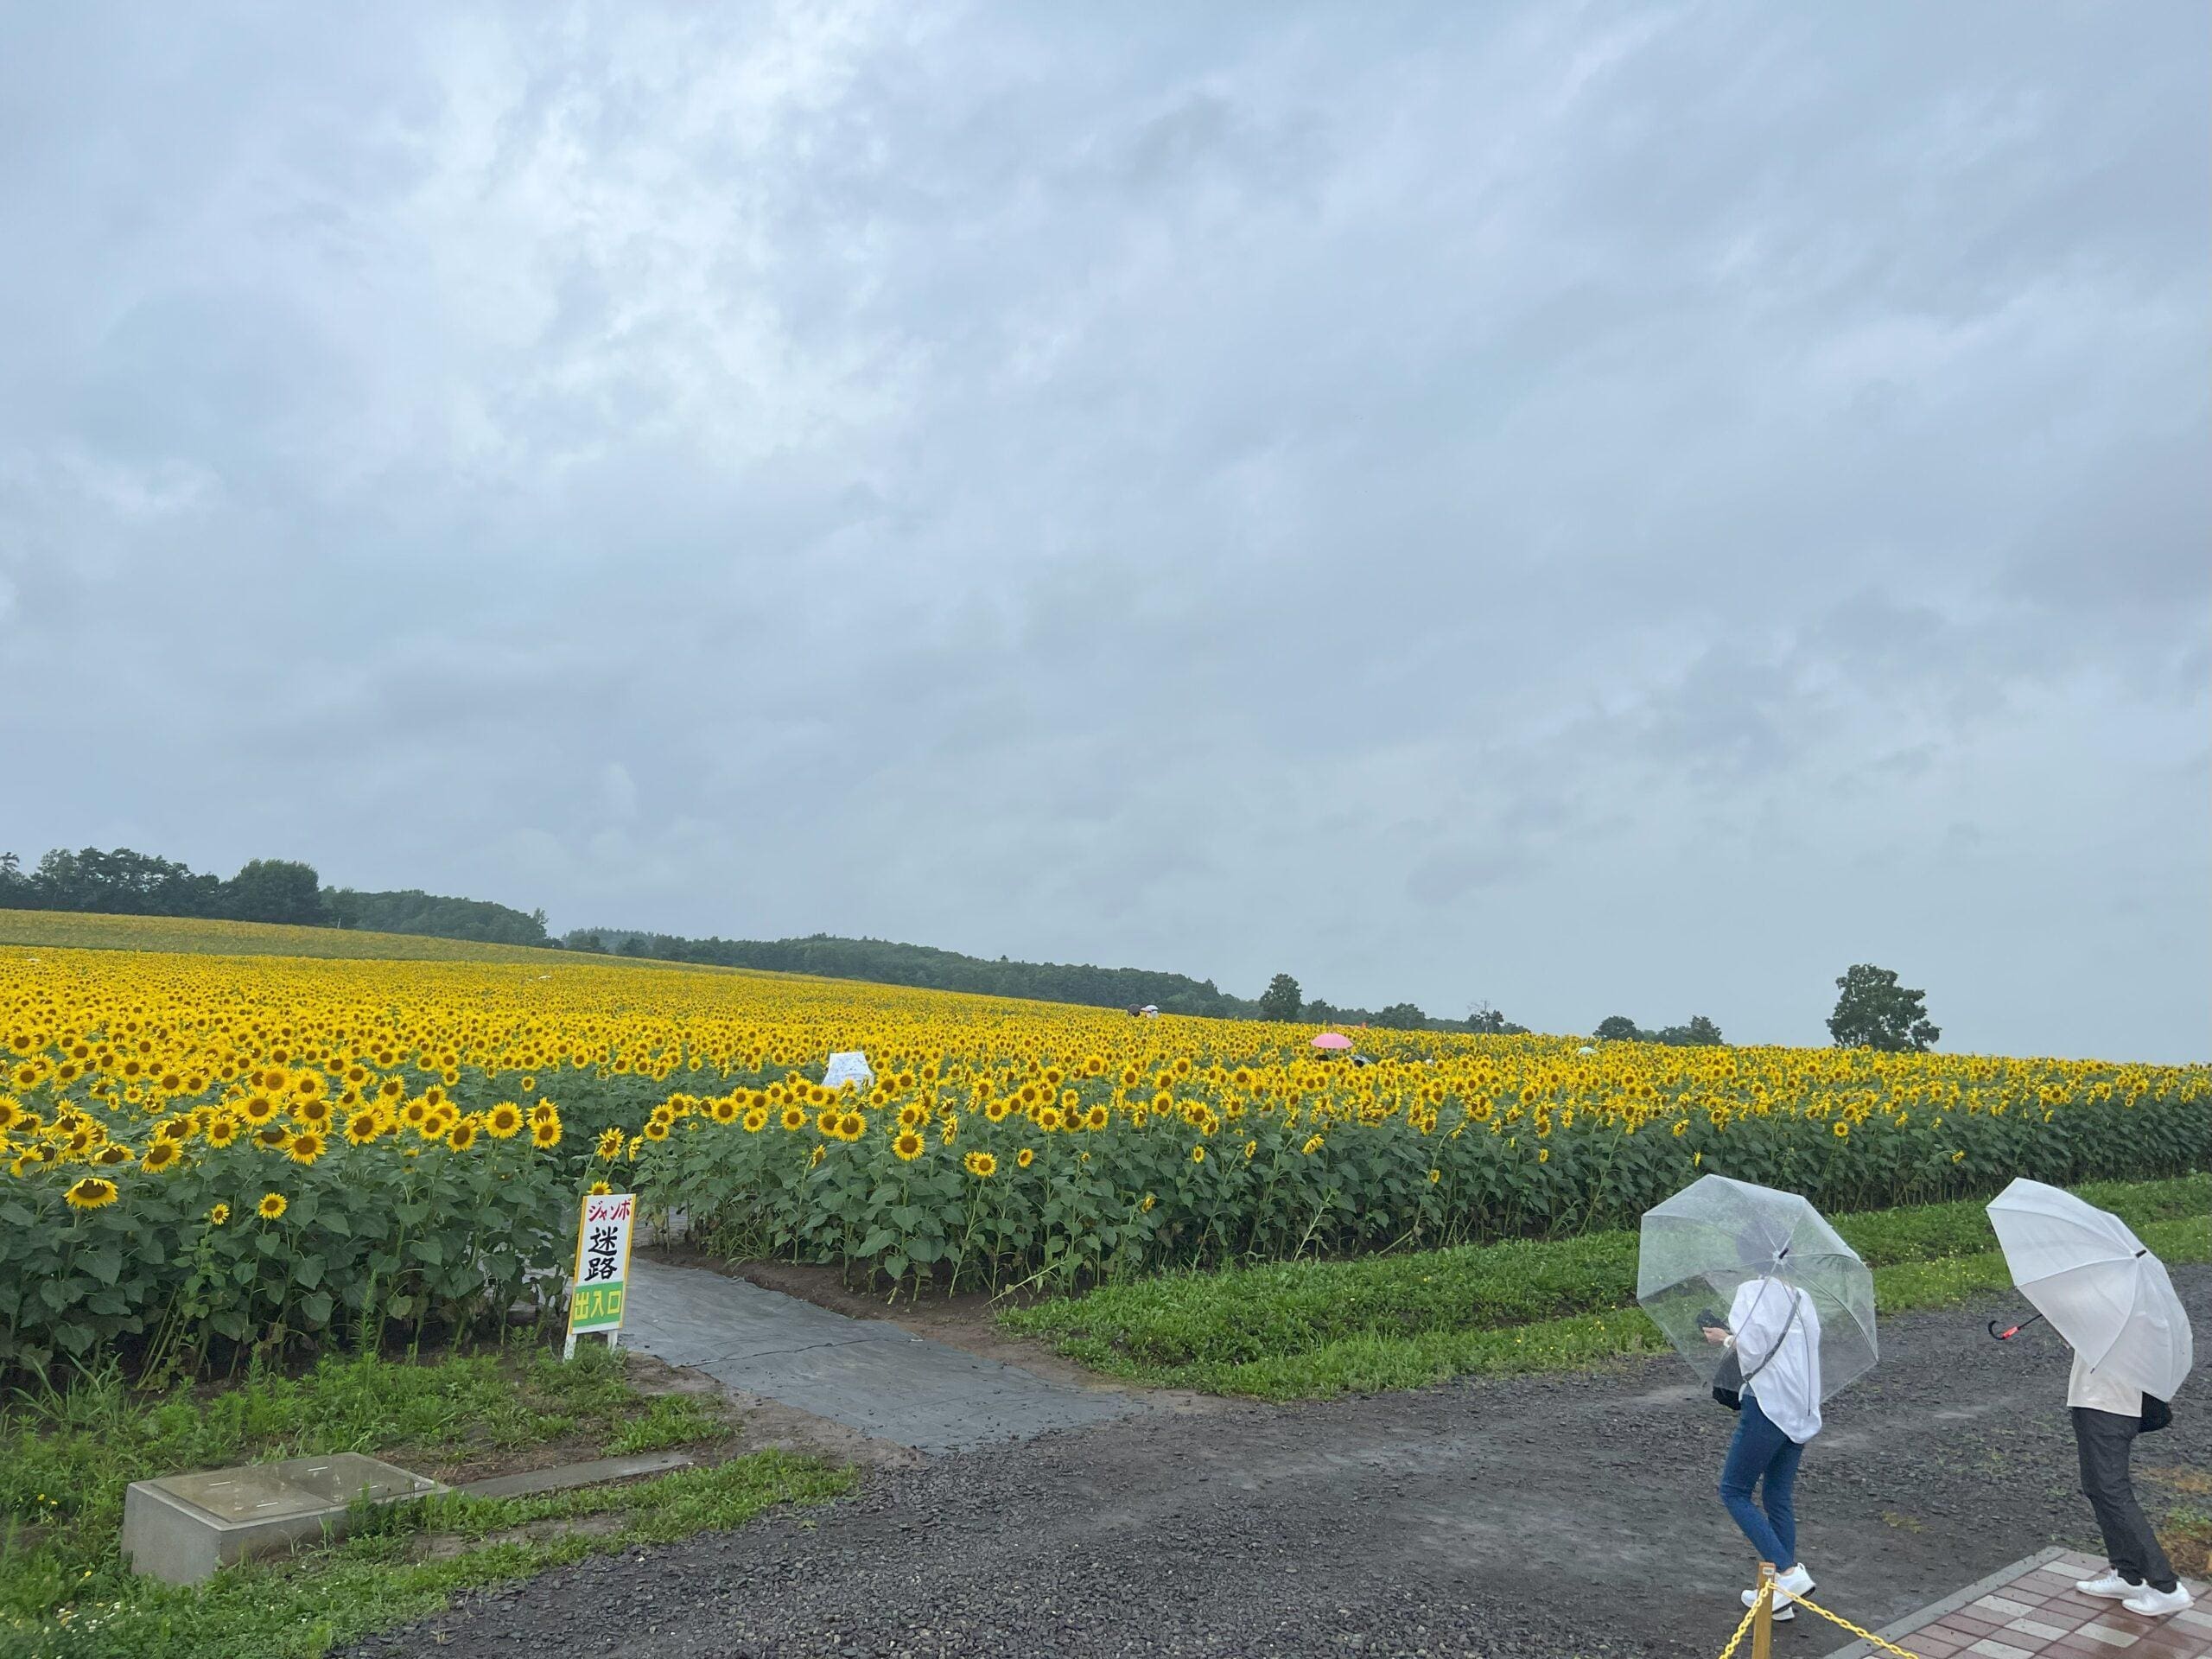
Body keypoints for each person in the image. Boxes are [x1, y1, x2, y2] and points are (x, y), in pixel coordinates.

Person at [1702, 1266, 1823, 1622]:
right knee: (1776, 1496)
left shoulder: (1751, 1291)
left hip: (1767, 1404)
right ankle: (1778, 1597)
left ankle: (1788, 1573)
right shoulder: (1803, 1297)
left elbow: (1752, 1350)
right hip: (1800, 1406)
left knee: (1734, 1490)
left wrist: (1723, 1338)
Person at [2068, 1349, 2193, 1617]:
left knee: (2112, 1493)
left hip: (2107, 1407)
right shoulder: (2127, 1314)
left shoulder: (2119, 1314)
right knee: (2099, 1490)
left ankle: (2167, 1588)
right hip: (2103, 1405)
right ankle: (2128, 1575)